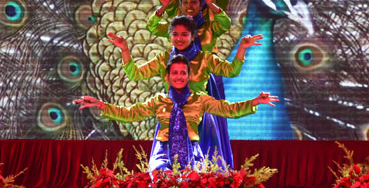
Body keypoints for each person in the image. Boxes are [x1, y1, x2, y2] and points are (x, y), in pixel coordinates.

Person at [74, 55, 277, 171]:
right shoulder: (159, 101)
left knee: (196, 183)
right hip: (162, 155)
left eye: (183, 73)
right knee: (158, 180)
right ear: (168, 76)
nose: (179, 77)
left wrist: (254, 102)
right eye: (174, 73)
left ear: (188, 76)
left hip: (194, 156)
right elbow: (129, 114)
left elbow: (228, 110)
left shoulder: (200, 99)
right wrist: (102, 106)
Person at [109, 16, 261, 168]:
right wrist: (124, 50)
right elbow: (135, 74)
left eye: (184, 34)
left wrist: (242, 48)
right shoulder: (164, 59)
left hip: (199, 117)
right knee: (164, 169)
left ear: (192, 36)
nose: (179, 38)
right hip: (171, 116)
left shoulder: (205, 59)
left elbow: (231, 71)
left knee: (204, 171)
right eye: (175, 34)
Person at [148, 0, 231, 55]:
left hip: (206, 69)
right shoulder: (174, 28)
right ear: (181, 6)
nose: (189, 5)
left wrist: (211, 4)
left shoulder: (209, 28)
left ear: (201, 5)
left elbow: (226, 24)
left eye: (193, 2)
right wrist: (163, 7)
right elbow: (152, 27)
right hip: (177, 69)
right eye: (185, 2)